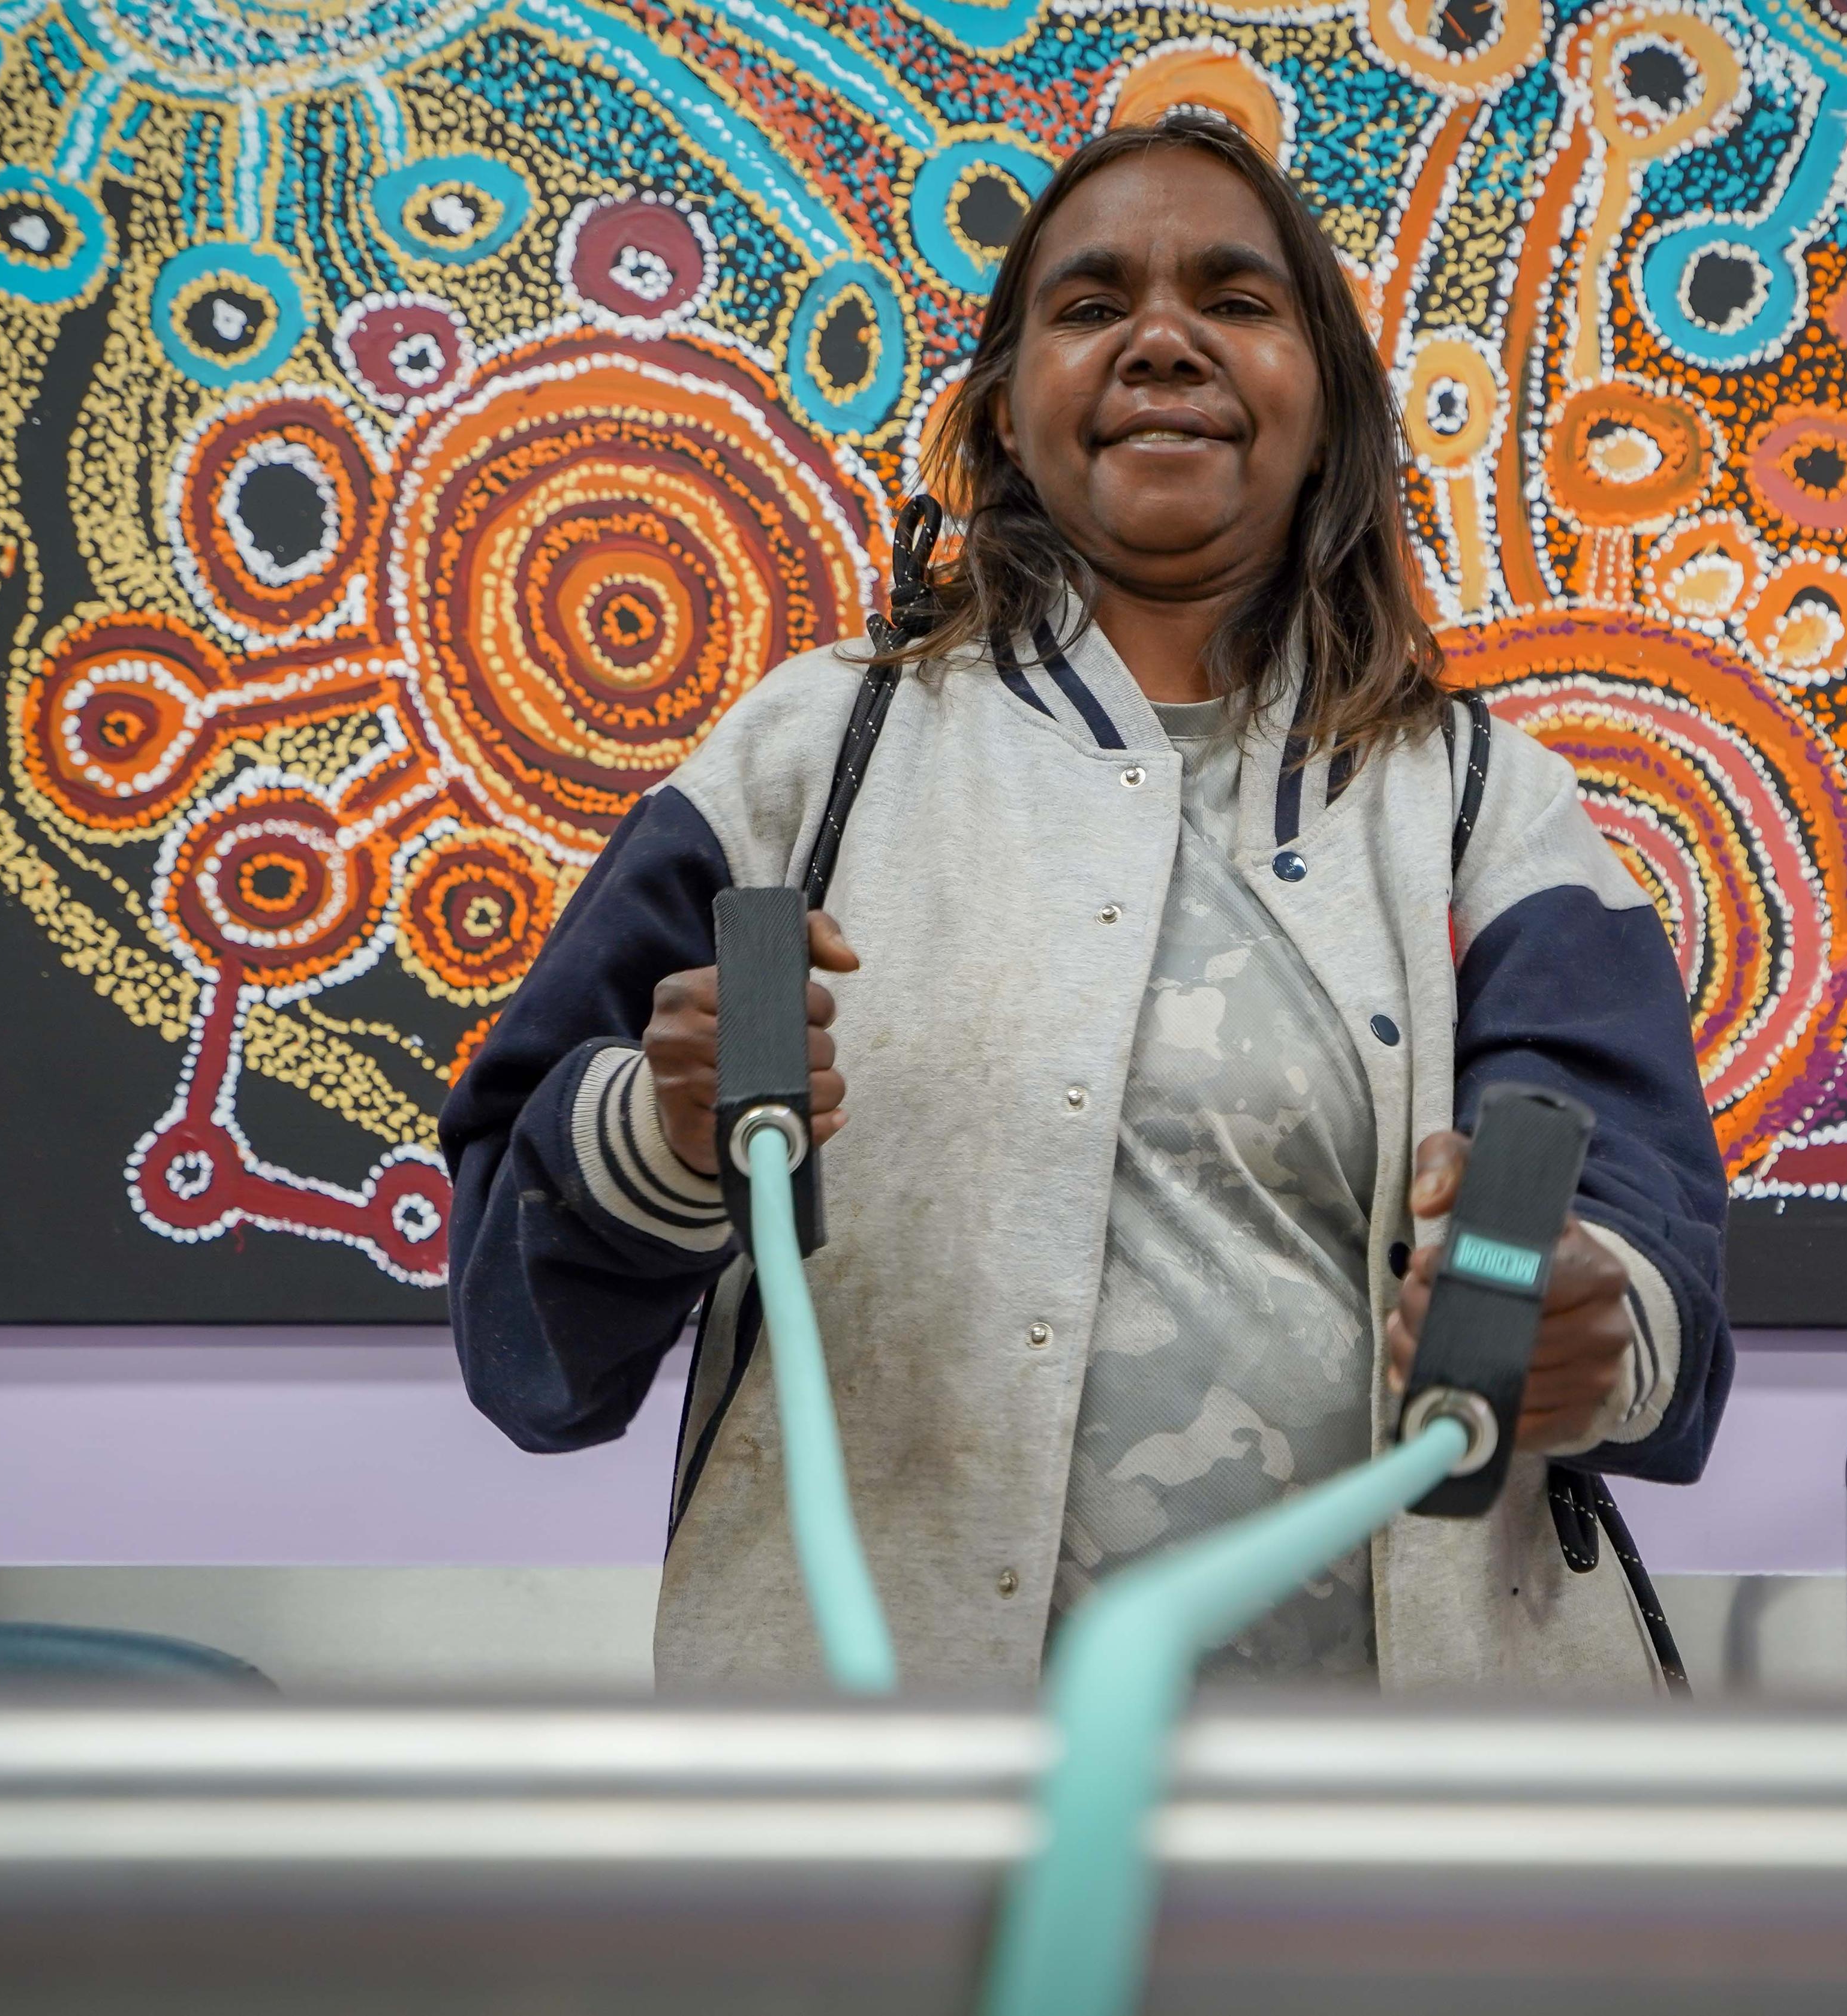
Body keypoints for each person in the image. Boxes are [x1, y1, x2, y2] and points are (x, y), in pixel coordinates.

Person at [441, 115, 1731, 1693]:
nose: (1164, 342)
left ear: (1329, 405)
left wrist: (1587, 1325)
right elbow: (524, 1345)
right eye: (1094, 304)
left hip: (1393, 1816)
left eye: (1238, 303)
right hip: (891, 1799)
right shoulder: (805, 763)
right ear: (1003, 409)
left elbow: (1637, 1234)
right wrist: (660, 1134)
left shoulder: (1486, 807)